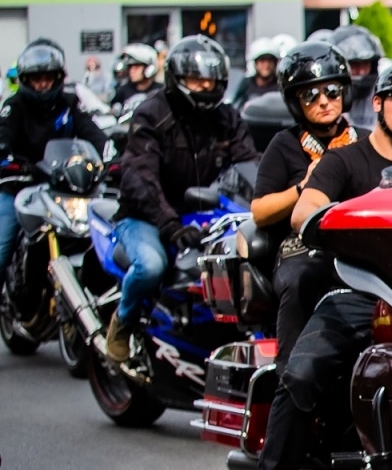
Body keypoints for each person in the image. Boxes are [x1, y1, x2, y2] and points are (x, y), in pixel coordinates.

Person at [237, 62, 392, 470]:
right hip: (356, 287)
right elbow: (303, 211)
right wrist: (332, 220)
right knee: (299, 376)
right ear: (380, 104)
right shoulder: (344, 160)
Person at [106, 36, 256, 361]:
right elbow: (140, 178)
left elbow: (249, 165)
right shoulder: (151, 115)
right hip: (145, 216)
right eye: (196, 80)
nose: (205, 86)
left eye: (211, 80)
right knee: (151, 267)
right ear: (177, 79)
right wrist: (170, 225)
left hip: (202, 214)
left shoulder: (227, 118)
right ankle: (124, 321)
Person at [249, 42, 357, 363]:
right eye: (310, 95)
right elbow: (259, 211)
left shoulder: (363, 141)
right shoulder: (284, 145)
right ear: (296, 102)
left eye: (332, 91)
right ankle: (290, 375)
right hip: (300, 247)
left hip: (359, 248)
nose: (324, 101)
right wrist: (303, 187)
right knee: (300, 280)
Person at [0, 42, 108, 275]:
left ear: (58, 77)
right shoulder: (13, 106)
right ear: (25, 80)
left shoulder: (69, 104)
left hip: (63, 187)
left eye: (47, 78)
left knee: (104, 233)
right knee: (2, 246)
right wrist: (14, 163)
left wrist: (113, 157)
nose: (42, 84)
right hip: (19, 188)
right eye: (36, 79)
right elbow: (2, 141)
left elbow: (95, 135)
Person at [330, 25, 382, 131]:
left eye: (365, 64)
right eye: (355, 64)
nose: (361, 71)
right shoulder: (326, 99)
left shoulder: (383, 95)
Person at [227, 38, 280, 107]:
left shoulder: (280, 85)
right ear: (255, 63)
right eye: (262, 61)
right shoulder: (247, 83)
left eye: (270, 61)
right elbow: (233, 104)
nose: (266, 65)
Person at [111, 43, 161, 109]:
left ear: (148, 68)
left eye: (136, 67)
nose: (132, 71)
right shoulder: (123, 90)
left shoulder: (160, 91)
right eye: (130, 67)